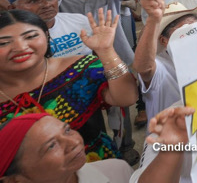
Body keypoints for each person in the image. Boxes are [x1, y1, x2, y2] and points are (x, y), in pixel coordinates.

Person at [0, 9, 138, 160]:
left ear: (46, 36)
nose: (20, 47)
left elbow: (126, 98)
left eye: (31, 36)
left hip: (94, 164)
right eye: (4, 42)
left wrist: (106, 52)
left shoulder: (80, 67)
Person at [0, 113, 133, 182]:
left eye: (67, 130)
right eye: (51, 146)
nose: (74, 143)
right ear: (14, 180)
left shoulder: (117, 171)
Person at [8, 0, 92, 58]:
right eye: (33, 1)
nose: (47, 5)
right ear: (12, 8)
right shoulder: (8, 39)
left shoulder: (79, 20)